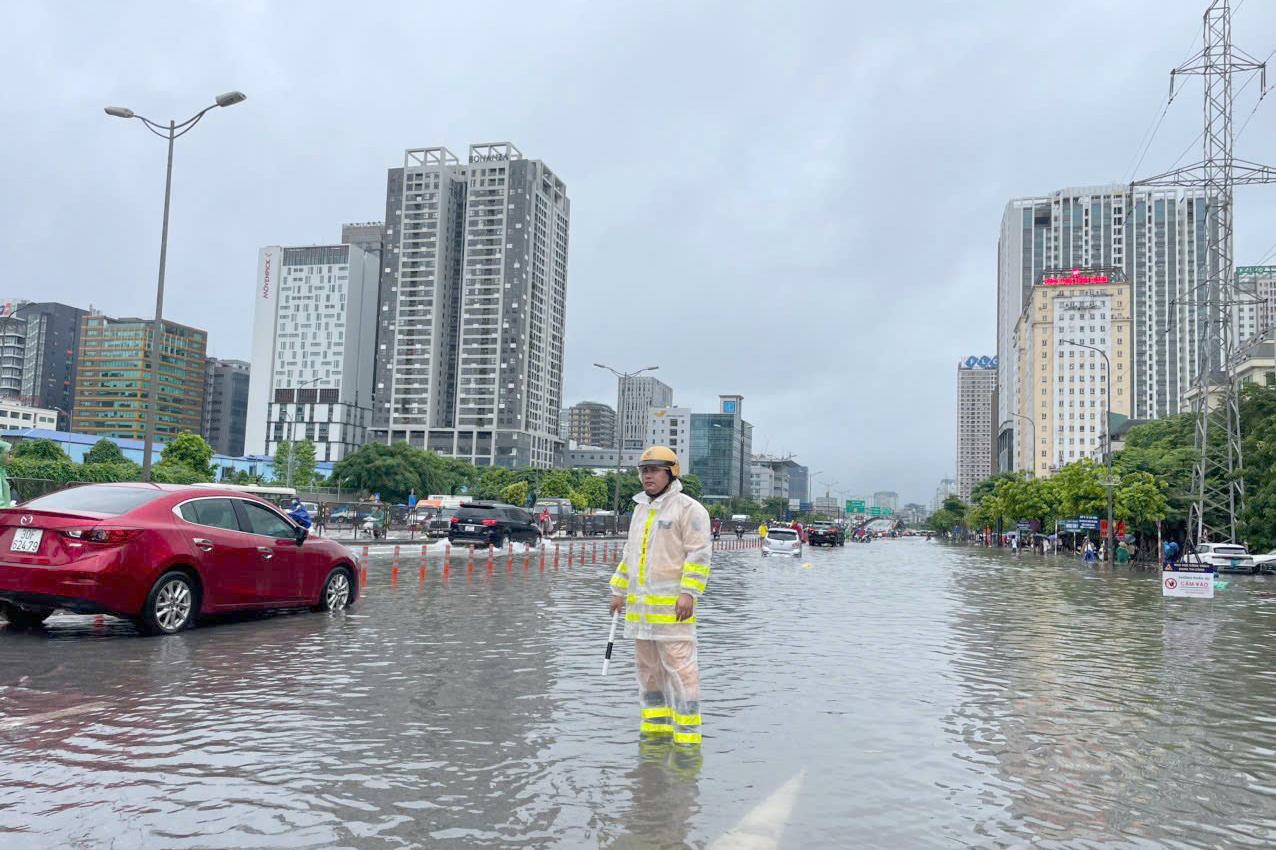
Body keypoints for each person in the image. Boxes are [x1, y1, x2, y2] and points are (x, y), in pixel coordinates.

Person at [608, 446, 712, 747]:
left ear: (671, 473)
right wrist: (618, 591)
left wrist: (689, 592)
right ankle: (655, 734)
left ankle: (688, 739)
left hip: (673, 613)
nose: (647, 476)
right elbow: (630, 555)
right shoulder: (640, 510)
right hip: (641, 613)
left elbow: (699, 554)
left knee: (682, 671)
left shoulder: (689, 509)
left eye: (654, 470)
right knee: (648, 673)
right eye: (644, 470)